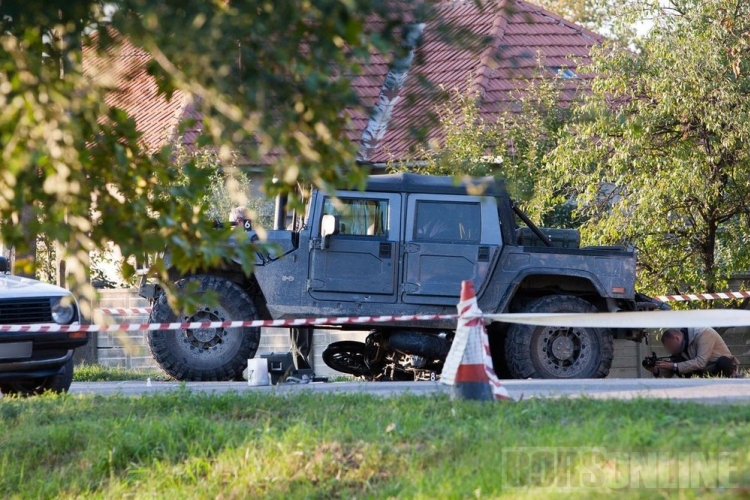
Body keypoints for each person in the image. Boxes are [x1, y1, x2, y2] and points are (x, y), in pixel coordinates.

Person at [648, 327, 740, 378]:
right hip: (704, 372)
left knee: (723, 361)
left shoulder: (703, 333)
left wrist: (673, 365)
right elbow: (667, 375)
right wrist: (656, 370)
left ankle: (732, 381)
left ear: (676, 338)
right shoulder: (681, 346)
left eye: (669, 346)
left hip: (721, 366)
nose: (670, 350)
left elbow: (701, 362)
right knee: (679, 364)